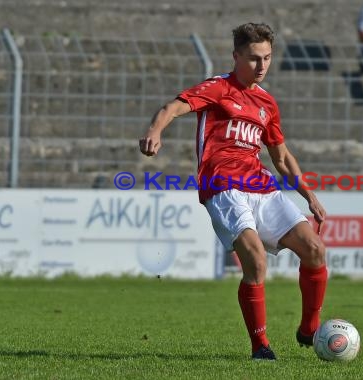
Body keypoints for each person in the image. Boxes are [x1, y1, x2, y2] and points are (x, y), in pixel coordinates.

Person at [139, 23, 328, 360]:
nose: (262, 65)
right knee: (254, 259)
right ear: (237, 56)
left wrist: (308, 194)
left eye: (267, 58)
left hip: (260, 184)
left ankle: (309, 329)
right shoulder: (218, 88)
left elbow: (281, 157)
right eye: (254, 58)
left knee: (314, 248)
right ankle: (261, 347)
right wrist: (155, 131)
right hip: (222, 185)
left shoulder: (266, 103)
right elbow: (173, 108)